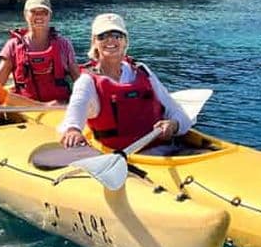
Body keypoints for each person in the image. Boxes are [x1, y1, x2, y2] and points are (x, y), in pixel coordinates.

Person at [58, 13, 192, 151]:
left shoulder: (142, 71)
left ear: (125, 41)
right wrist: (73, 130)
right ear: (94, 43)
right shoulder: (87, 82)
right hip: (125, 160)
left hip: (167, 150)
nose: (110, 40)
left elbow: (178, 113)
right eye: (102, 36)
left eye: (117, 35)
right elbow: (74, 116)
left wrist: (174, 124)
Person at [0, 0, 80, 103]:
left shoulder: (64, 44)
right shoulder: (12, 46)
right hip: (26, 110)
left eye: (44, 12)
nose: (39, 16)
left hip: (59, 108)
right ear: (25, 14)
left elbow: (80, 82)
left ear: (50, 15)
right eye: (34, 12)